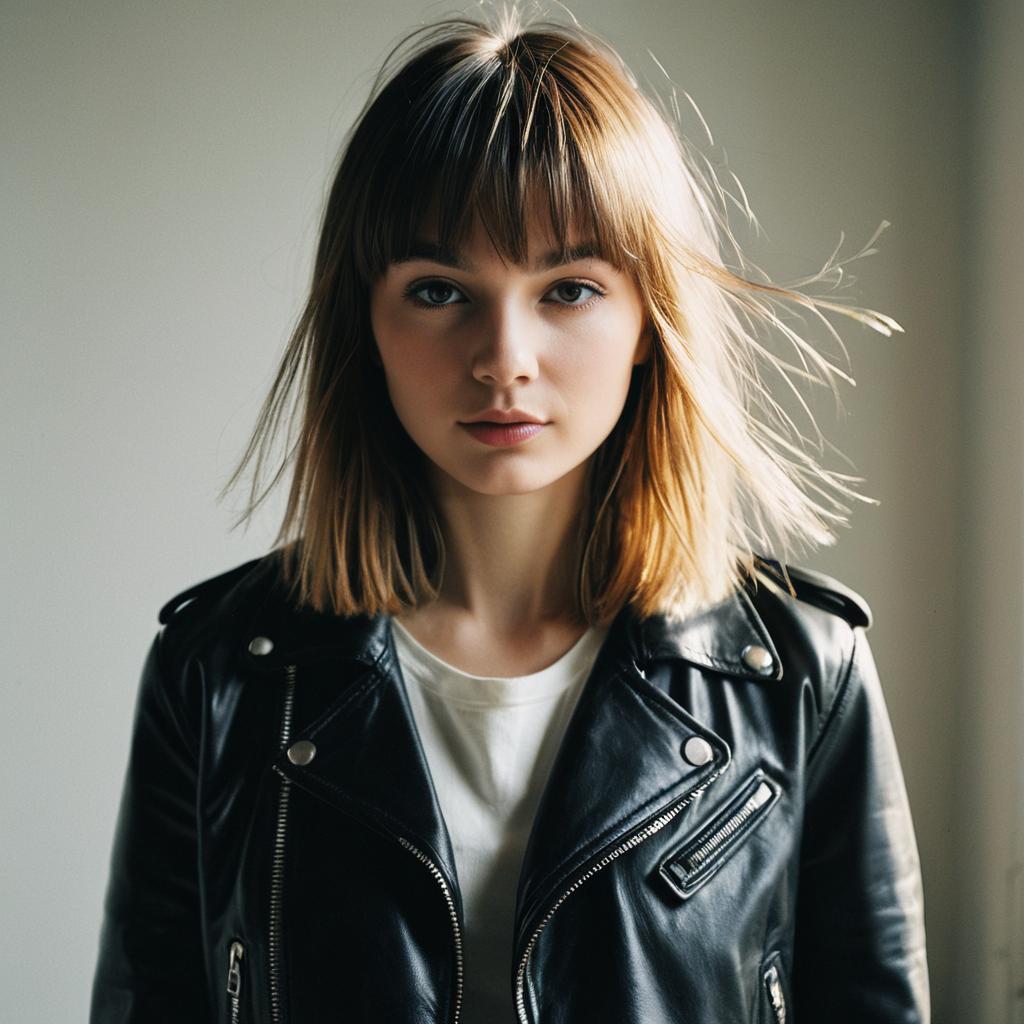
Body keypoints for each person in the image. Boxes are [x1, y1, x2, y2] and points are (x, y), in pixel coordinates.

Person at [89, 5, 930, 1022]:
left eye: (568, 289)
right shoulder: (222, 669)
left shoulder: (800, 672)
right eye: (441, 290)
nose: (504, 359)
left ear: (646, 324)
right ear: (368, 320)